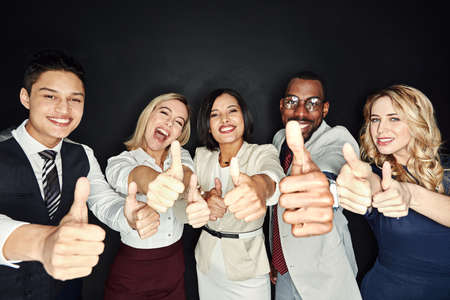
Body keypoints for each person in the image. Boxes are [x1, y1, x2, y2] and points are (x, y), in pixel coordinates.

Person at [0, 49, 123, 299]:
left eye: (75, 99)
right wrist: (42, 243)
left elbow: (105, 202)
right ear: (26, 97)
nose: (64, 109)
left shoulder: (83, 153)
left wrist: (131, 213)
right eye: (50, 96)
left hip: (66, 288)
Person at [336, 84, 450, 300]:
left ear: (418, 122)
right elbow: (371, 183)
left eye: (394, 118)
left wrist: (410, 194)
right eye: (375, 119)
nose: (380, 129)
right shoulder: (378, 175)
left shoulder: (447, 169)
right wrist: (360, 182)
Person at [102, 93, 210, 300]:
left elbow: (186, 174)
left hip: (174, 266)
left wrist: (193, 189)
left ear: (180, 133)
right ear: (148, 115)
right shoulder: (120, 161)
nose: (169, 123)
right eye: (164, 113)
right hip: (133, 270)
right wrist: (154, 183)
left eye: (178, 122)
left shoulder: (180, 156)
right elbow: (135, 175)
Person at [270, 71, 361, 300]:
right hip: (284, 271)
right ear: (282, 105)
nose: (301, 112)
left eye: (312, 103)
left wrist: (327, 189)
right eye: (292, 102)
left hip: (323, 278)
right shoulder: (280, 138)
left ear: (325, 109)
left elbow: (332, 170)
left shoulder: (338, 138)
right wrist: (274, 256)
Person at [194, 88, 285, 300]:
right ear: (208, 126)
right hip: (207, 263)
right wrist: (203, 198)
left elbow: (273, 177)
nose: (224, 119)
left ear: (244, 116)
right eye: (214, 114)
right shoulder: (201, 156)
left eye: (232, 111)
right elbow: (187, 194)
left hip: (247, 268)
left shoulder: (262, 152)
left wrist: (259, 187)